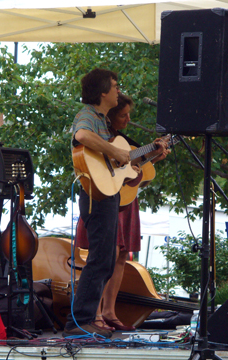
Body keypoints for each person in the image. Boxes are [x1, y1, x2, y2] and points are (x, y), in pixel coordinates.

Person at [75, 93, 170, 332]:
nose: (128, 119)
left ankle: (107, 312)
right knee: (102, 256)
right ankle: (89, 317)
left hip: (122, 197)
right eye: (124, 115)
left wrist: (153, 156)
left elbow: (133, 170)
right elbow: (84, 139)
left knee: (117, 256)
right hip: (101, 194)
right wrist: (119, 155)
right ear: (111, 116)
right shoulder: (93, 122)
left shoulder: (120, 140)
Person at [63, 68, 130, 338]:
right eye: (114, 86)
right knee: (100, 260)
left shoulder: (103, 120)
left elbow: (113, 162)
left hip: (106, 194)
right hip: (95, 197)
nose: (118, 90)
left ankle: (84, 319)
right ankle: (77, 322)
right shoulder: (88, 115)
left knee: (105, 259)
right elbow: (81, 136)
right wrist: (114, 150)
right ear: (103, 92)